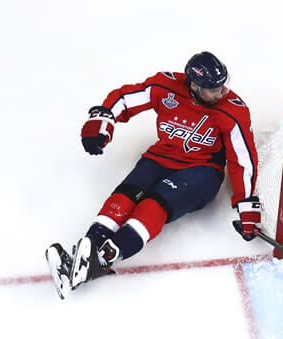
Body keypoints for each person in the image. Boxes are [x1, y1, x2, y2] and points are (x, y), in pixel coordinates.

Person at [46, 51, 262, 299]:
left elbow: (242, 159)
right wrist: (104, 119)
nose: (221, 92)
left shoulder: (233, 111)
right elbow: (126, 98)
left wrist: (245, 202)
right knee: (125, 196)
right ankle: (88, 250)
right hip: (159, 157)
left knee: (153, 203)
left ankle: (107, 256)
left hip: (202, 170)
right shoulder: (166, 87)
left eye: (223, 85)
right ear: (193, 84)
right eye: (212, 89)